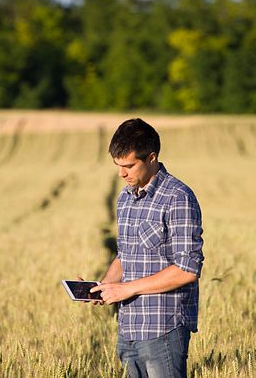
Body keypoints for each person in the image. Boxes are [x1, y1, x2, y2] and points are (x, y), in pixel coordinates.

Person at [88, 118, 205, 378]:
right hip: (128, 328)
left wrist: (126, 289)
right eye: (118, 166)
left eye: (129, 165)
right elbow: (125, 255)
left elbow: (188, 269)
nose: (122, 174)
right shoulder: (125, 199)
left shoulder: (177, 198)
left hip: (162, 329)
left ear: (151, 158)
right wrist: (104, 286)